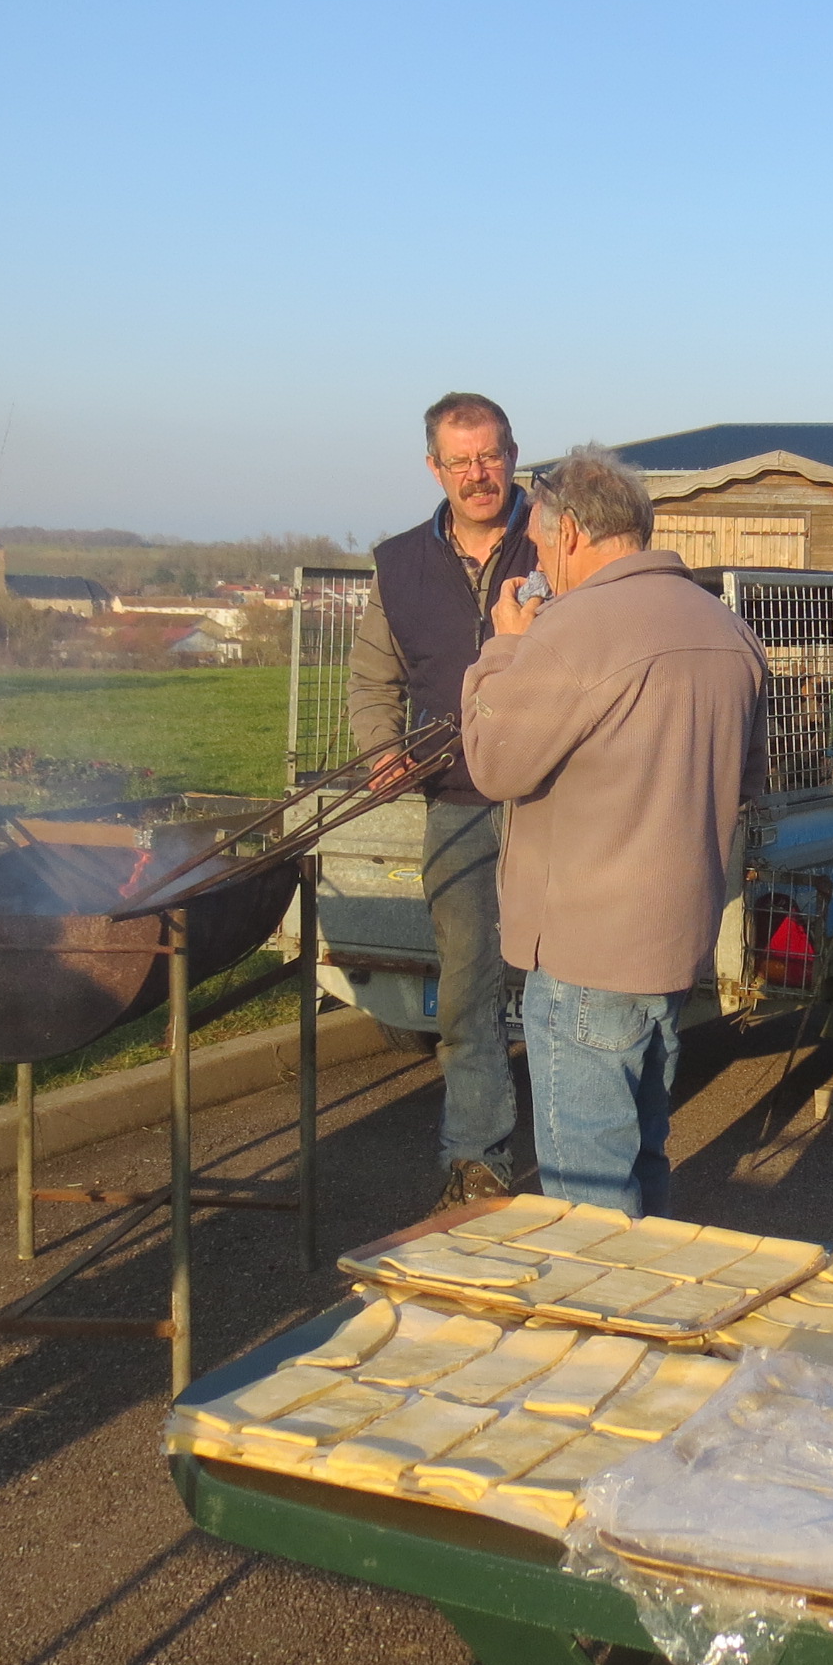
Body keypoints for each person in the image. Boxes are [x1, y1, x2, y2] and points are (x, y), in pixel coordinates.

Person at [460, 445, 766, 1216]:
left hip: (584, 956)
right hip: (673, 949)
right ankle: (647, 1326)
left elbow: (493, 764)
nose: (535, 558)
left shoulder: (571, 630)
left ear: (567, 537)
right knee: (644, 1163)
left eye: (536, 541)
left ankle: (605, 1330)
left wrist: (504, 648)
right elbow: (750, 782)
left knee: (588, 1203)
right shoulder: (728, 631)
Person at [350, 393, 543, 1207]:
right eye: (460, 461)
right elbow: (371, 680)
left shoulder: (560, 543)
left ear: (512, 456)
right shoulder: (398, 564)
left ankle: (593, 1163)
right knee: (467, 988)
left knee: (575, 985)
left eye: (491, 456)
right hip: (459, 802)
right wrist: (382, 750)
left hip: (555, 799)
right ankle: (478, 1163)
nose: (477, 475)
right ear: (434, 467)